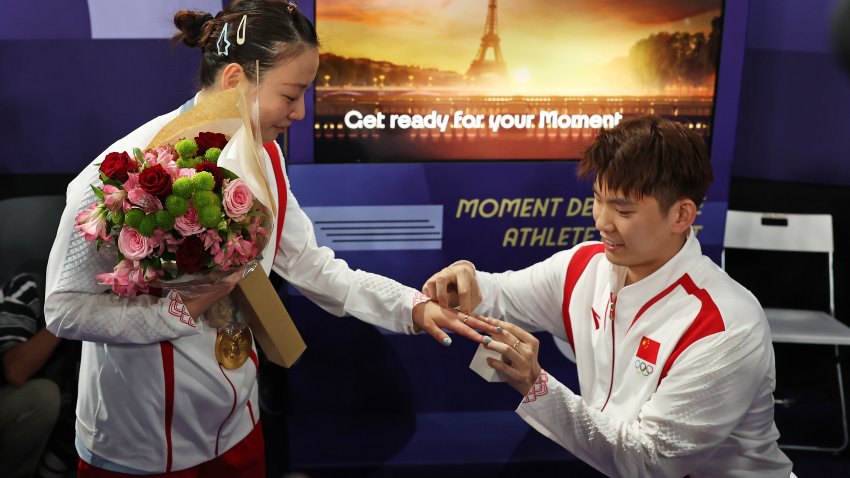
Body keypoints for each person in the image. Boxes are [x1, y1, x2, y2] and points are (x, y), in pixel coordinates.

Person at [44, 1, 491, 476]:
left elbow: (314, 268)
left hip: (237, 425)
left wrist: (413, 308)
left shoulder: (267, 158)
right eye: (291, 93)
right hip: (139, 443)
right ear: (235, 79)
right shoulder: (121, 173)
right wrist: (178, 310)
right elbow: (64, 309)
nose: (300, 113)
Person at [423, 115, 795, 477]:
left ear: (682, 216)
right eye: (598, 199)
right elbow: (501, 295)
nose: (601, 221)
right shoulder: (586, 265)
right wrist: (465, 280)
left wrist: (536, 386)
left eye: (623, 209)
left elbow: (652, 464)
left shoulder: (723, 326)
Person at [0, 273, 74, 478]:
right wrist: (68, 310)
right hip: (18, 400)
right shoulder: (31, 286)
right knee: (43, 396)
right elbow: (16, 371)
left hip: (67, 424)